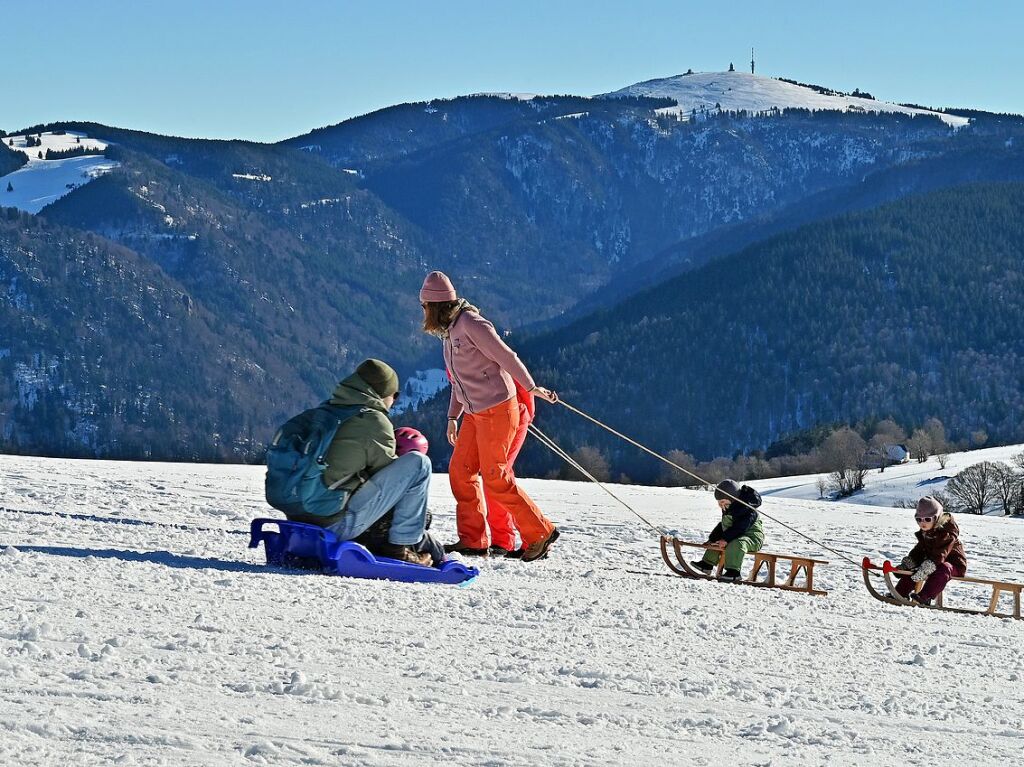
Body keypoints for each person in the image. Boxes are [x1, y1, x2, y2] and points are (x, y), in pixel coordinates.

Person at [419, 270, 560, 562]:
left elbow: (507, 356)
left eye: (424, 307)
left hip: (498, 410)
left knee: (495, 476)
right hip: (473, 414)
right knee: (461, 471)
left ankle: (540, 532)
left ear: (435, 305)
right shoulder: (449, 333)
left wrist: (531, 387)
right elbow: (459, 381)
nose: (423, 313)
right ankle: (473, 540)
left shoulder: (471, 323)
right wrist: (451, 417)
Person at [316, 359, 434, 565]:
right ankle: (399, 548)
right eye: (395, 395)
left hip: (300, 516)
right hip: (334, 522)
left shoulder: (324, 412)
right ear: (385, 393)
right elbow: (389, 483)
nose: (395, 401)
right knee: (419, 464)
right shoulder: (373, 421)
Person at [895, 496, 967, 605]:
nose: (922, 522)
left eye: (927, 519)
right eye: (919, 519)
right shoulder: (926, 533)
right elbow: (918, 552)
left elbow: (941, 554)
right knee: (916, 568)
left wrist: (926, 568)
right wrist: (908, 564)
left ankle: (925, 596)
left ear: (936, 518)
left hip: (953, 565)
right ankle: (899, 593)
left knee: (943, 568)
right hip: (933, 563)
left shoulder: (946, 534)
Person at [691, 479, 765, 582]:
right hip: (736, 534)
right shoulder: (729, 507)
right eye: (719, 503)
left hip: (752, 537)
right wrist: (712, 539)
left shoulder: (747, 509)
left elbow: (741, 527)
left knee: (736, 543)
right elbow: (723, 526)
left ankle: (733, 572)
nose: (720, 505)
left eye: (723, 502)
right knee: (717, 541)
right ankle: (707, 564)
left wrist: (726, 539)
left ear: (732, 498)